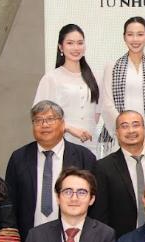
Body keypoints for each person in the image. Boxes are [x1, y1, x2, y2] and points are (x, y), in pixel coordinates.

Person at [4, 101, 97, 242]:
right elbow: (9, 205)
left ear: (62, 123)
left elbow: (95, 206)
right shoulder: (19, 158)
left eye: (50, 119)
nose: (44, 125)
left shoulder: (84, 157)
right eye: (38, 120)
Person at [91, 110, 145, 239]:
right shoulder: (103, 167)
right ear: (117, 133)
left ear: (144, 130)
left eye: (136, 125)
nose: (131, 130)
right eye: (124, 126)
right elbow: (99, 214)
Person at [100, 17, 145, 153]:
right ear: (124, 37)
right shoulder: (111, 68)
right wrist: (125, 131)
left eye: (140, 34)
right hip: (118, 139)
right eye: (130, 34)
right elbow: (107, 105)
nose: (135, 39)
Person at [33, 24, 101, 155]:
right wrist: (69, 128)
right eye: (70, 43)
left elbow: (97, 113)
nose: (76, 48)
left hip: (91, 146)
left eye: (80, 43)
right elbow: (39, 114)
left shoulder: (95, 77)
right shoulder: (51, 78)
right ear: (61, 47)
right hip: (62, 144)